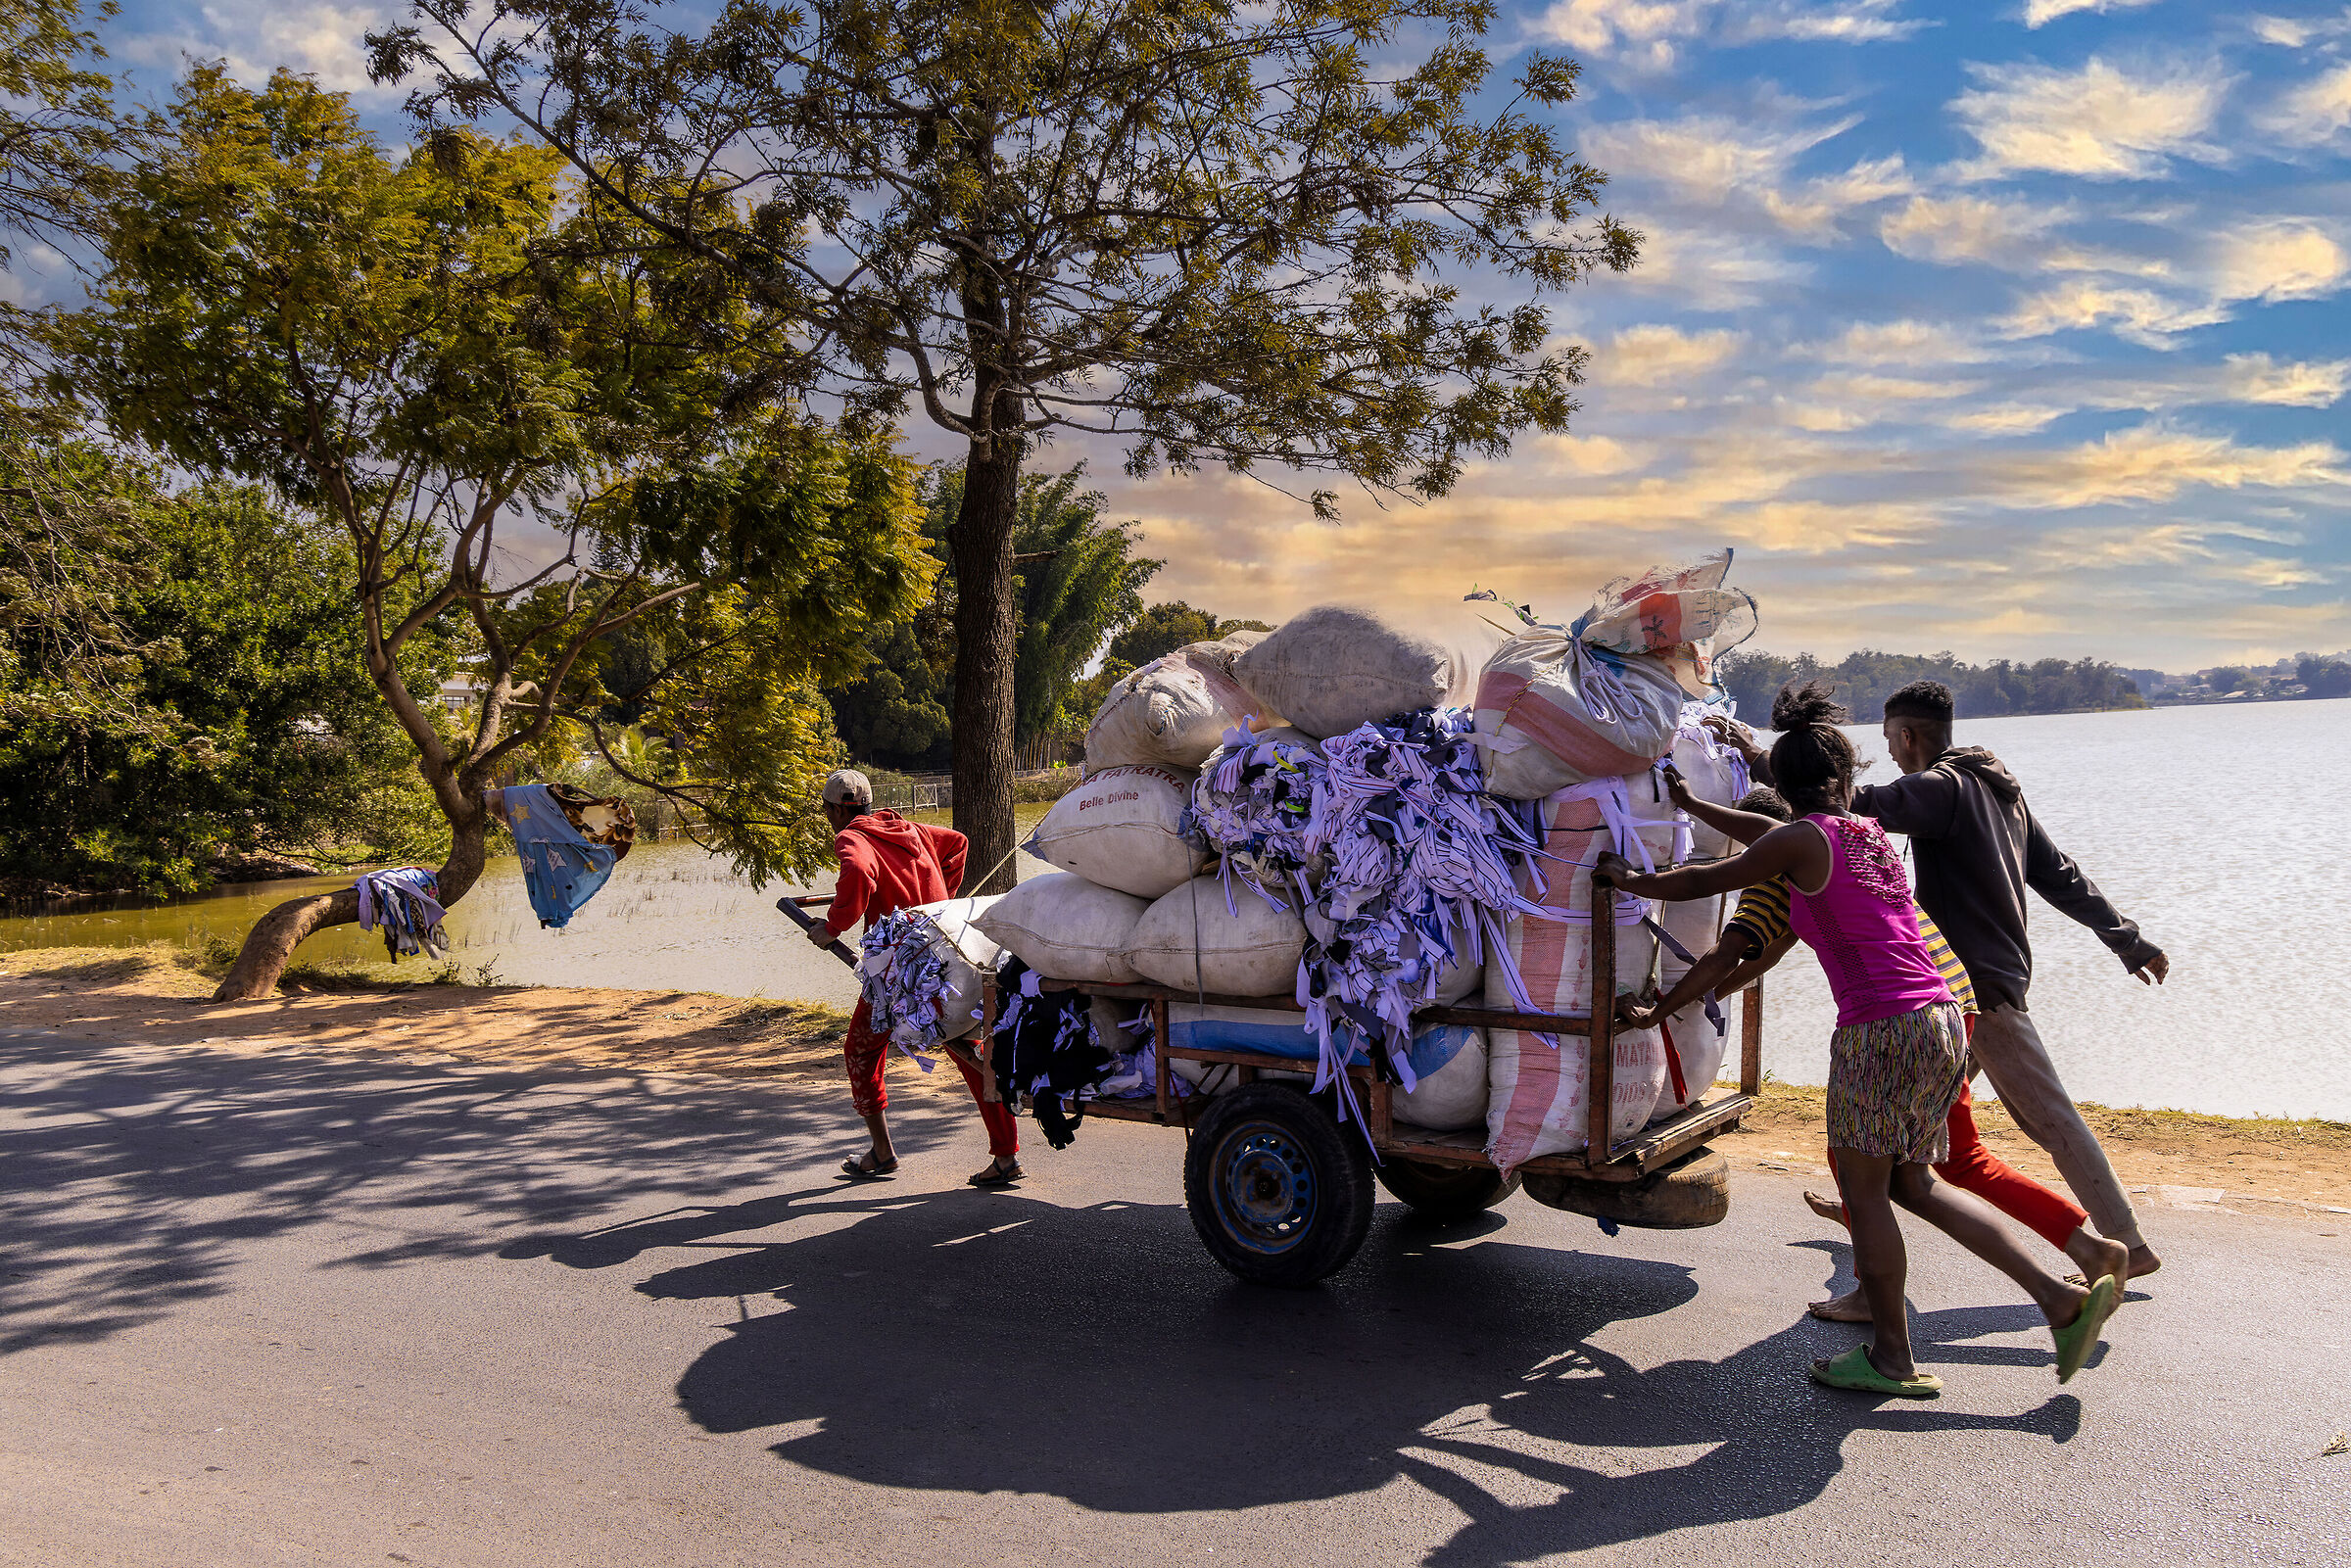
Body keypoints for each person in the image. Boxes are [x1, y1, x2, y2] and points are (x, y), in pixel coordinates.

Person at [1595, 684, 2118, 1398]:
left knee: (1865, 1190)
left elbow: (1707, 876)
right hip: (1942, 1017)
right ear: (1846, 779)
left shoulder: (1798, 841)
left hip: (1881, 1028)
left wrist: (1629, 879)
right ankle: (2060, 1300)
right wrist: (1691, 807)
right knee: (1916, 1182)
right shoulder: (1867, 834)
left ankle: (1893, 1357)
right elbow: (1764, 837)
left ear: (1780, 782)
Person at [1711, 681, 2170, 1282]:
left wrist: (1757, 756)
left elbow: (1840, 804)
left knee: (2045, 1121)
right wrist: (2125, 938)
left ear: (1907, 736)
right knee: (1907, 1123)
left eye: (1891, 743)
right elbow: (2061, 876)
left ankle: (2124, 1244)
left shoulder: (1941, 789)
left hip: (1972, 985)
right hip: (1964, 985)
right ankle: (1861, 1209)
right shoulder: (2000, 790)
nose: (1893, 755)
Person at [810, 769, 1024, 1187]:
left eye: (827, 810)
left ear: (836, 809)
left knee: (861, 1051)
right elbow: (957, 844)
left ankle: (883, 1152)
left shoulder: (851, 837)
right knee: (968, 1049)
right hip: (944, 959)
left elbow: (856, 873)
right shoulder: (905, 828)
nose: (829, 817)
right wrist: (941, 903)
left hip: (901, 973)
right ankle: (1005, 1155)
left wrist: (832, 926)